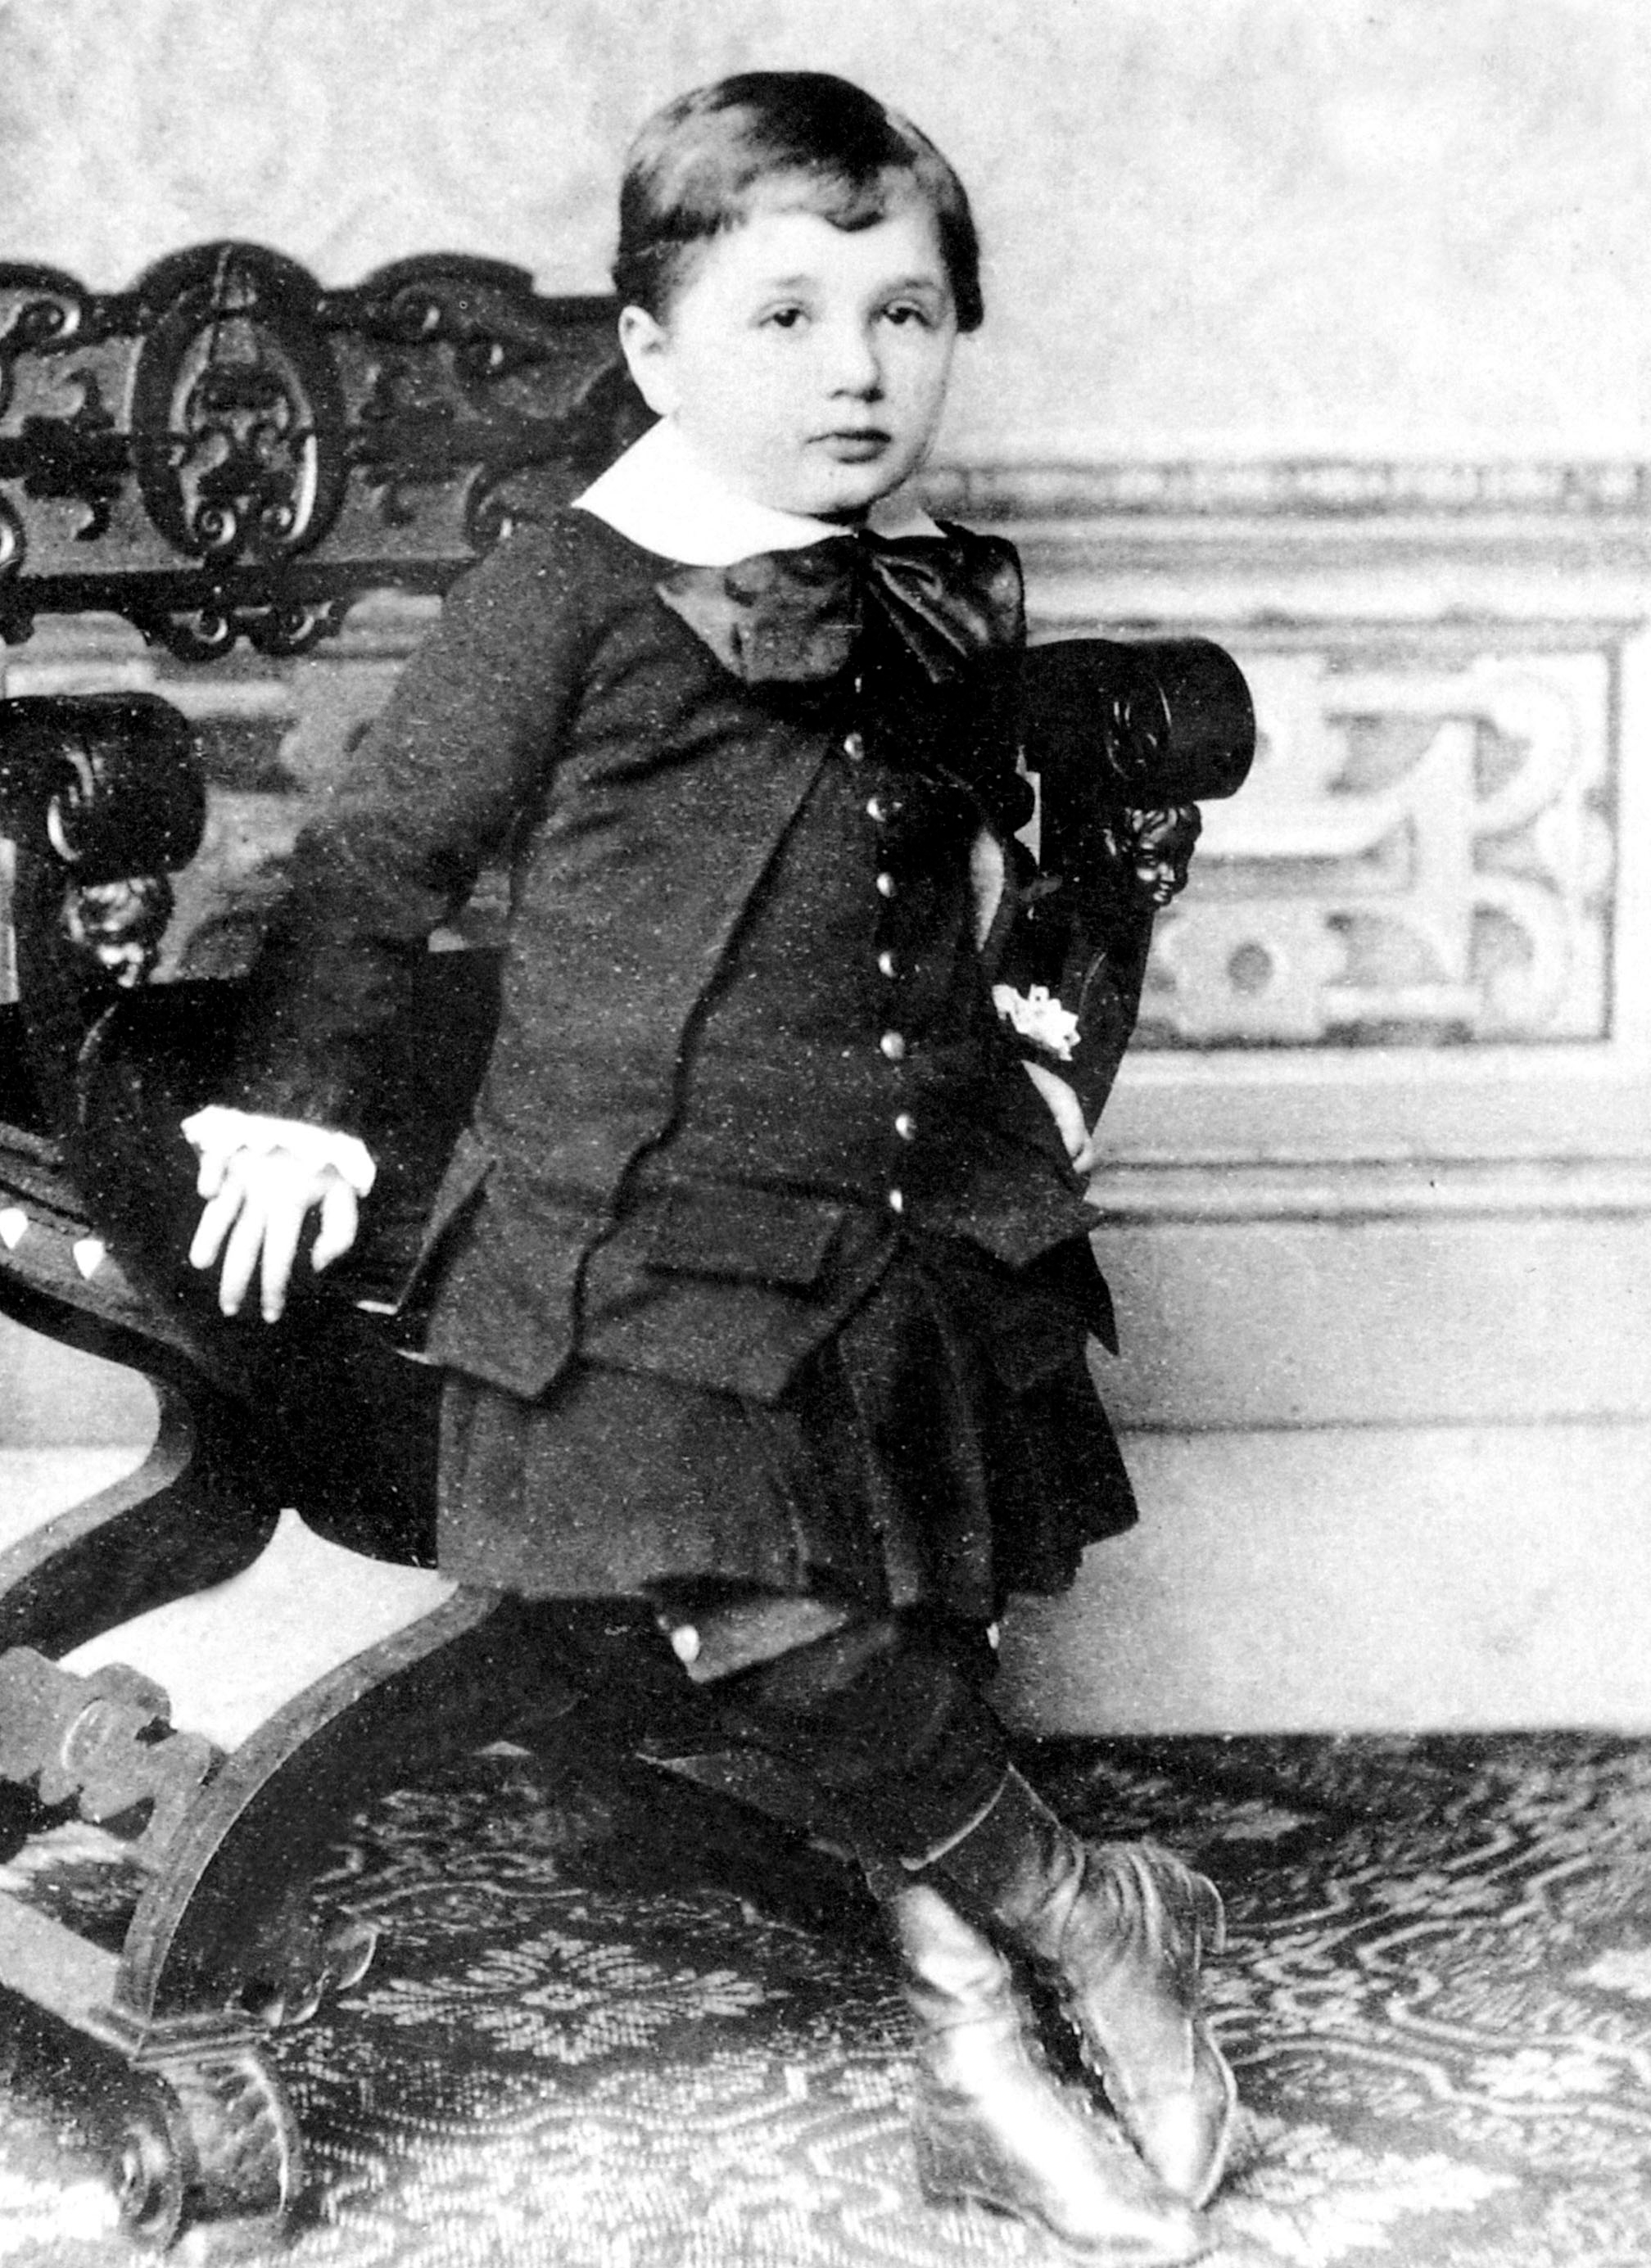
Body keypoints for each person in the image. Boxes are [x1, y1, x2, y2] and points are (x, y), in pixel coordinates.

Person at [183, 72, 1236, 2262]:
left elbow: (949, 874)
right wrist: (300, 1092)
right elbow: (381, 859)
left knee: (915, 1568)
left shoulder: (931, 602)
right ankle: (1080, 1909)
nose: (857, 368)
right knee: (753, 1591)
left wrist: (1033, 1051)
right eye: (786, 317)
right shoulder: (563, 590)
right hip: (641, 1203)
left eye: (906, 314)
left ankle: (968, 2036)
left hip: (893, 1180)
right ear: (656, 352)